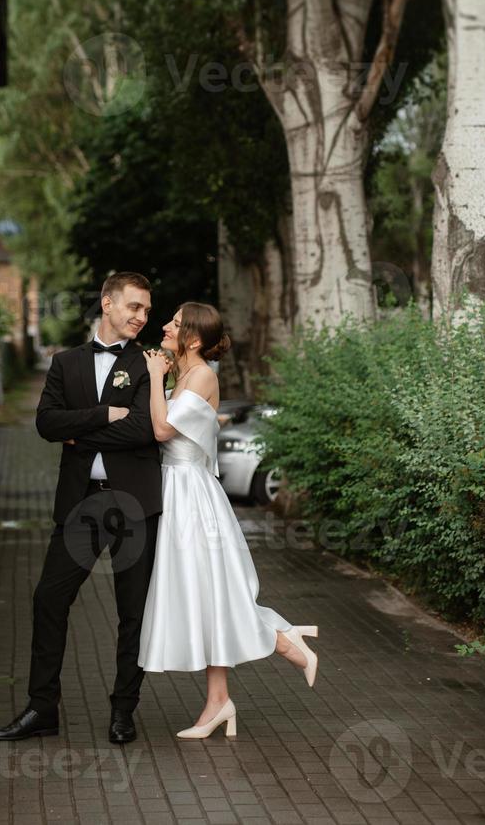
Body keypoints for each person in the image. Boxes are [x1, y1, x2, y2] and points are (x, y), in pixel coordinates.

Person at [0, 272, 163, 745]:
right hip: (81, 502)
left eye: (146, 310)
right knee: (49, 598)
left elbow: (144, 430)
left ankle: (123, 711)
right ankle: (42, 708)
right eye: (133, 307)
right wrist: (105, 415)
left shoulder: (151, 362)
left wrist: (79, 430)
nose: (141, 317)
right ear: (107, 304)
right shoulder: (65, 363)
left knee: (133, 613)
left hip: (135, 504)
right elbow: (46, 423)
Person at [138, 302, 319, 739]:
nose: (165, 325)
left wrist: (152, 380)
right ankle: (219, 702)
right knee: (203, 598)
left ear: (194, 339)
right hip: (176, 491)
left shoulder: (200, 375)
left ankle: (281, 639)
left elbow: (162, 431)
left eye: (176, 324)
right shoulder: (187, 374)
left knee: (213, 593)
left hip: (191, 497)